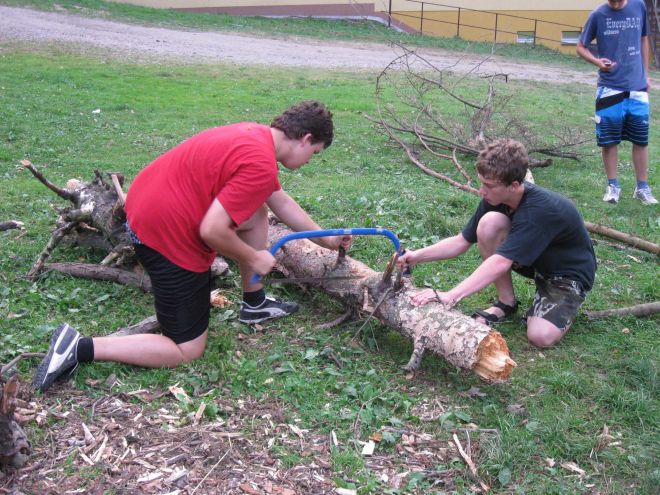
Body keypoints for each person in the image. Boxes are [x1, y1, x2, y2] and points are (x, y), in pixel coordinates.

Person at [32, 100, 351, 393]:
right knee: (186, 348)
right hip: (162, 233)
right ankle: (78, 347)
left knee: (256, 213)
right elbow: (211, 230)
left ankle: (254, 303)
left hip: (151, 206)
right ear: (306, 139)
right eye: (315, 153)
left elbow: (279, 201)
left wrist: (328, 239)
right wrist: (253, 256)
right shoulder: (260, 163)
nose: (310, 160)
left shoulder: (254, 136)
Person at [397, 139, 596, 348]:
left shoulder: (539, 211)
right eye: (482, 182)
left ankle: (560, 307)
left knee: (540, 336)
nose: (482, 191)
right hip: (535, 260)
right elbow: (462, 241)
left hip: (565, 274)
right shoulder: (496, 198)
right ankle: (506, 302)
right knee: (489, 223)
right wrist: (416, 256)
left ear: (515, 185)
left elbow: (500, 262)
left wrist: (451, 296)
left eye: (489, 186)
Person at [576, 0, 657, 205]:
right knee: (609, 140)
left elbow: (644, 39)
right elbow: (580, 47)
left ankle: (642, 188)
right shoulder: (598, 15)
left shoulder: (638, 6)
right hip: (609, 87)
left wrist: (645, 74)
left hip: (637, 87)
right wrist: (596, 61)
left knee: (640, 139)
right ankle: (613, 186)